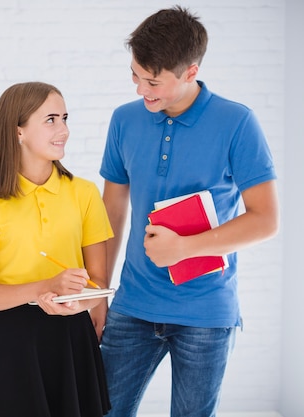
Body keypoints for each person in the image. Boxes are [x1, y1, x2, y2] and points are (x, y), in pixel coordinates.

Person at [94, 5, 280, 417]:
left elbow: (266, 219)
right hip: (132, 305)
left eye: (154, 82)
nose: (142, 91)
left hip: (206, 313)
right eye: (135, 76)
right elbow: (112, 208)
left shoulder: (237, 122)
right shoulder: (124, 120)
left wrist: (184, 248)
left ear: (190, 72)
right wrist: (99, 292)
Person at [0, 81, 113, 417]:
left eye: (65, 118)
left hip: (70, 334)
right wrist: (47, 286)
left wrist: (76, 304)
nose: (64, 130)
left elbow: (98, 283)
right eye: (51, 120)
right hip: (7, 338)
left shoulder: (85, 194)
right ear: (18, 131)